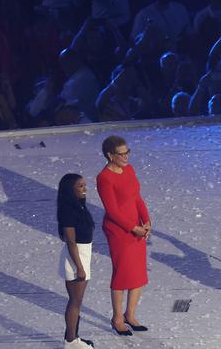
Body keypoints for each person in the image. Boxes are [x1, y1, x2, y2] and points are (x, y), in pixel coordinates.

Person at [97, 136, 151, 336]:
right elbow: (112, 211)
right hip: (119, 231)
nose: (126, 156)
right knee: (122, 274)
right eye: (122, 153)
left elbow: (136, 196)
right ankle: (117, 318)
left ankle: (131, 314)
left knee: (137, 272)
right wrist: (133, 228)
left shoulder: (129, 169)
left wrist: (146, 220)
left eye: (128, 152)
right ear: (110, 155)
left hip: (136, 227)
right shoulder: (104, 178)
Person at [57, 173, 95, 348]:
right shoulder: (68, 210)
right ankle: (71, 341)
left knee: (77, 301)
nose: (85, 189)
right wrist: (80, 267)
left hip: (82, 254)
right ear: (70, 190)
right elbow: (71, 242)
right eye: (80, 186)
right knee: (75, 301)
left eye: (84, 185)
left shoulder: (78, 206)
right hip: (76, 258)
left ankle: (73, 338)